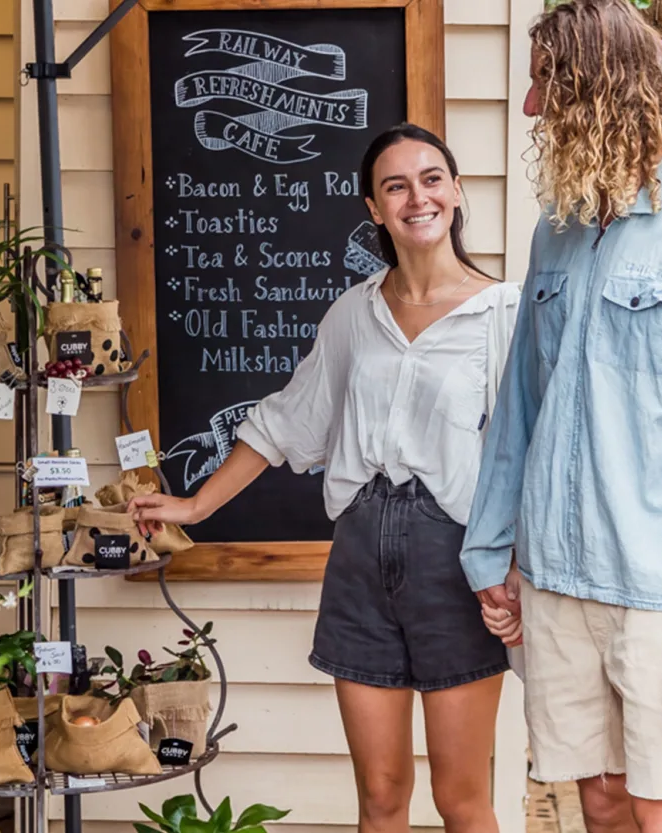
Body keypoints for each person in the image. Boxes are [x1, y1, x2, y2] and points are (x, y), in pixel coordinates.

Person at [129, 123, 521, 833]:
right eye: (395, 185)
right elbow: (285, 423)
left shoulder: (505, 315)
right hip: (361, 559)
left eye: (432, 178)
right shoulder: (355, 313)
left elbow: (528, 459)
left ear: (457, 192)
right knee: (379, 794)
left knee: (462, 799)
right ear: (373, 207)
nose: (417, 197)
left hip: (456, 563)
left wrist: (514, 565)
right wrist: (191, 504)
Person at [460, 1, 662, 830]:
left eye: (543, 87)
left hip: (661, 589)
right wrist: (490, 546)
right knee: (598, 803)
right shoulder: (558, 230)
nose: (531, 109)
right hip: (557, 578)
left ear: (599, 93)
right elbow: (519, 408)